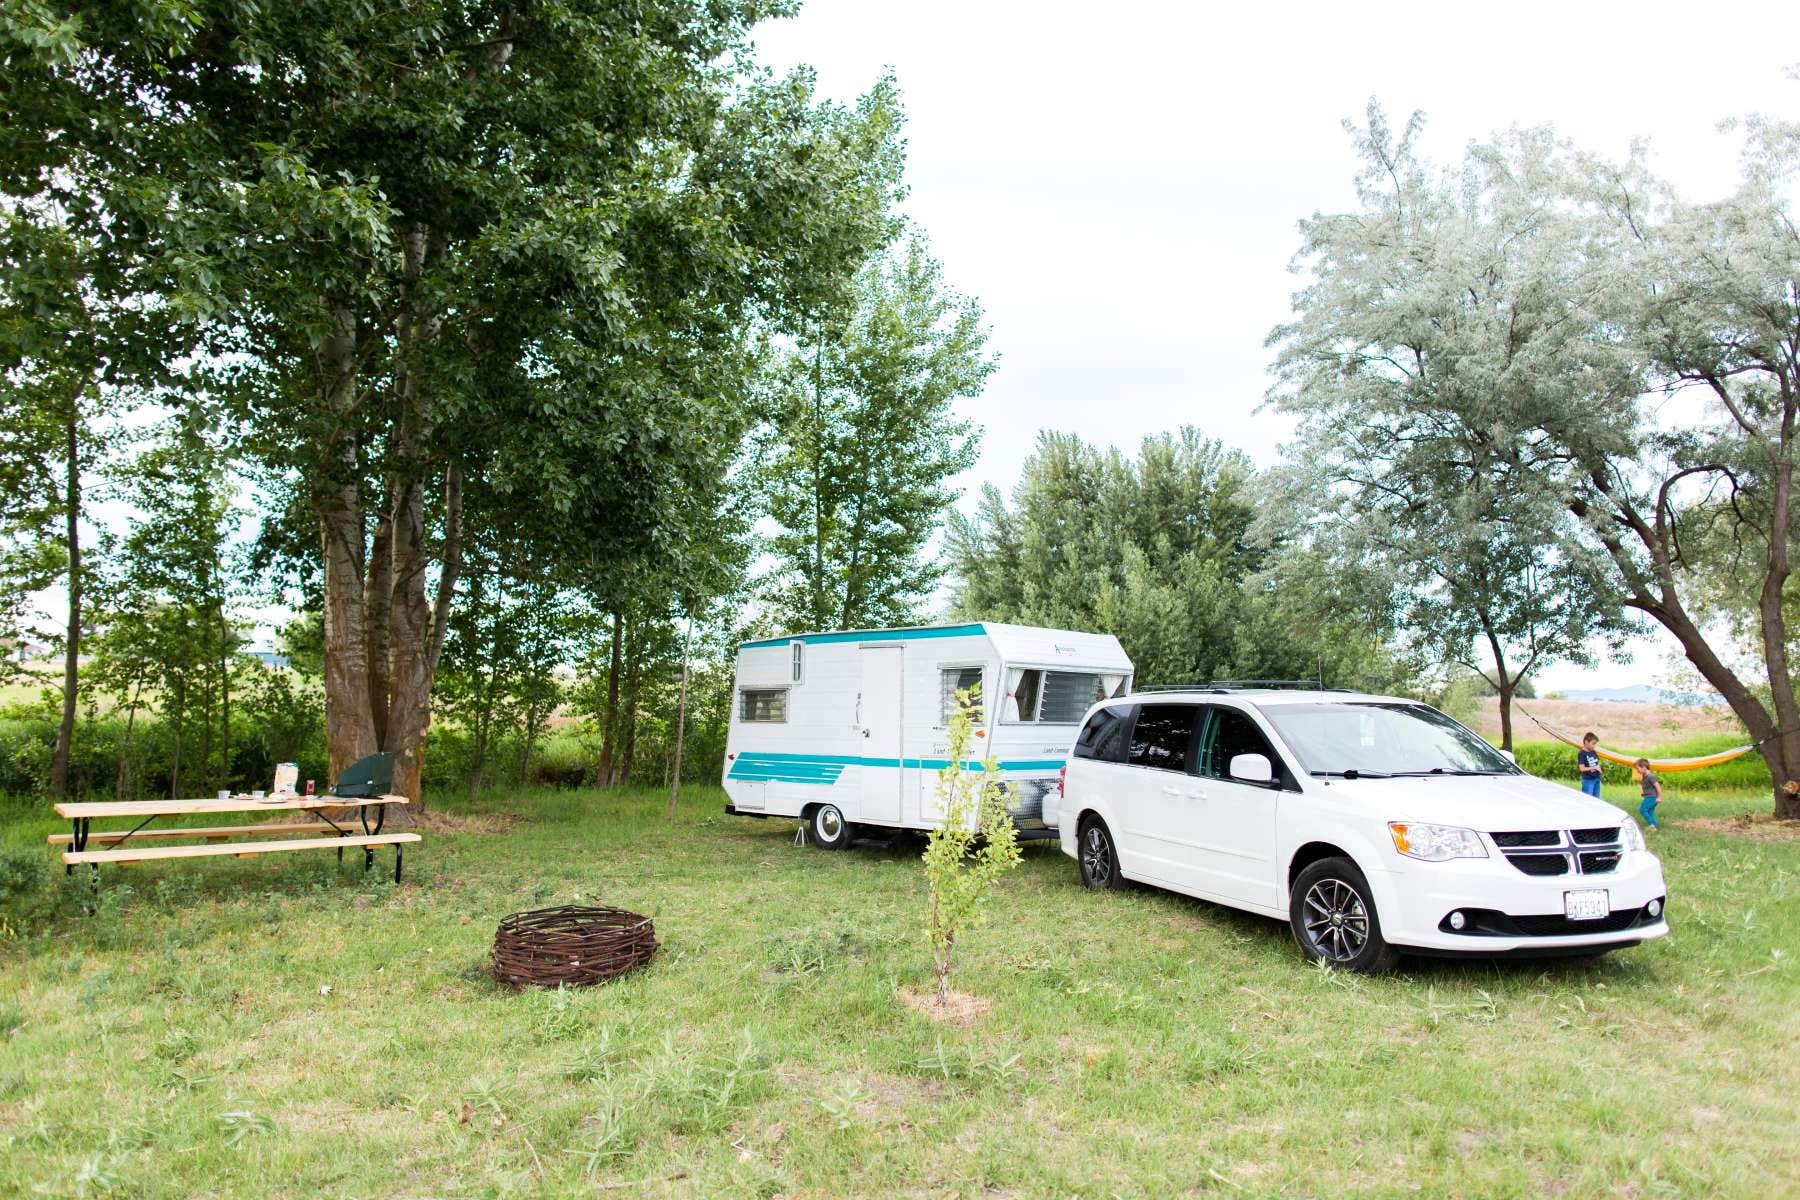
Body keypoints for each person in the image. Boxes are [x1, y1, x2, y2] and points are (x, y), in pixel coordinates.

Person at [1636, 757, 1662, 831]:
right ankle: (1654, 825)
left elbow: (1658, 787)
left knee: (1642, 809)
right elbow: (1648, 787)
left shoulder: (1651, 776)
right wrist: (1643, 793)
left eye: (1638, 768)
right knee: (1650, 812)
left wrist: (1659, 797)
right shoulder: (1644, 776)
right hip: (1649, 796)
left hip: (1652, 797)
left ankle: (1652, 825)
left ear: (1644, 767)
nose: (1637, 770)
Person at [1577, 732, 1603, 797]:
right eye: (1593, 743)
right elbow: (1582, 768)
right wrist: (1594, 768)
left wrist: (1599, 769)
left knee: (1596, 800)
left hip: (1596, 779)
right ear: (1586, 742)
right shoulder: (1582, 753)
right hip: (1588, 781)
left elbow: (1596, 763)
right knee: (1588, 800)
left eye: (1595, 744)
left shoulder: (1593, 752)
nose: (1594, 746)